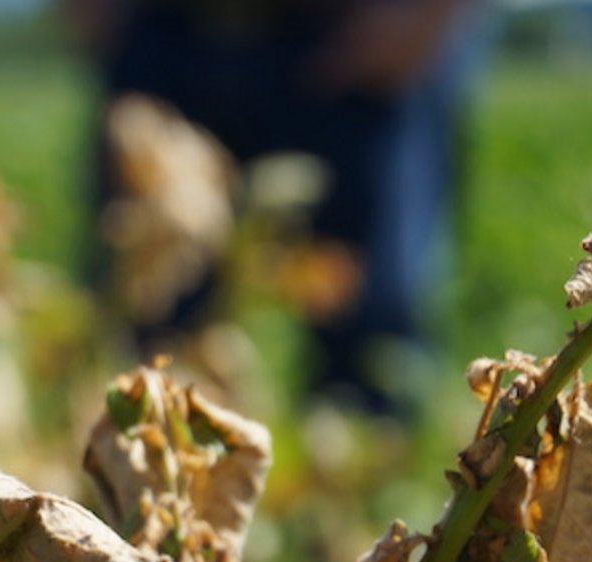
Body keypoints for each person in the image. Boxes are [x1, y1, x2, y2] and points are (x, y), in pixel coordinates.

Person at [71, 0, 484, 418]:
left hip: (366, 34)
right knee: (143, 335)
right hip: (164, 36)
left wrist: (430, 13)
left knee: (370, 343)